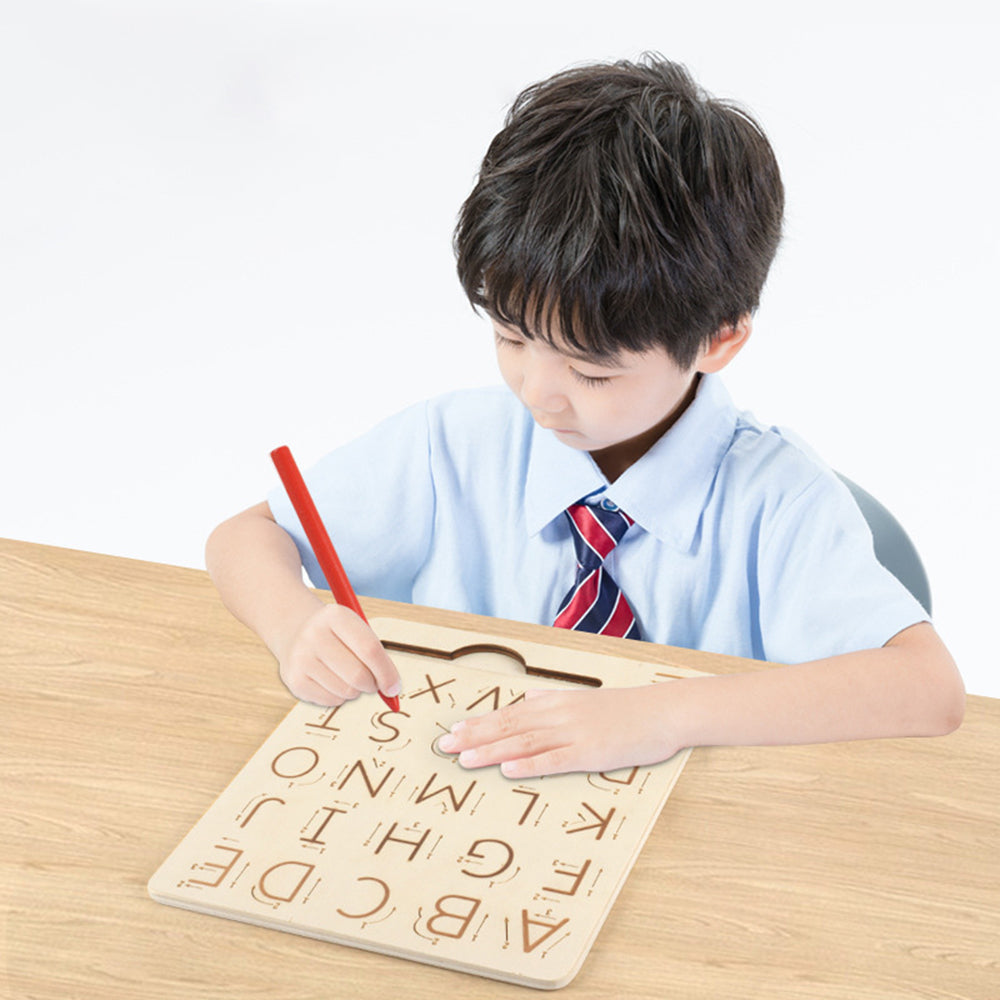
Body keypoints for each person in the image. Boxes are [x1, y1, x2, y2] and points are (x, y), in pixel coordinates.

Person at [205, 54, 964, 780]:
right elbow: (246, 537)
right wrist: (293, 622)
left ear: (718, 339)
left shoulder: (778, 501)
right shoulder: (452, 446)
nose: (538, 392)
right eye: (510, 337)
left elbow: (928, 689)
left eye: (592, 370)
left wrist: (662, 714)